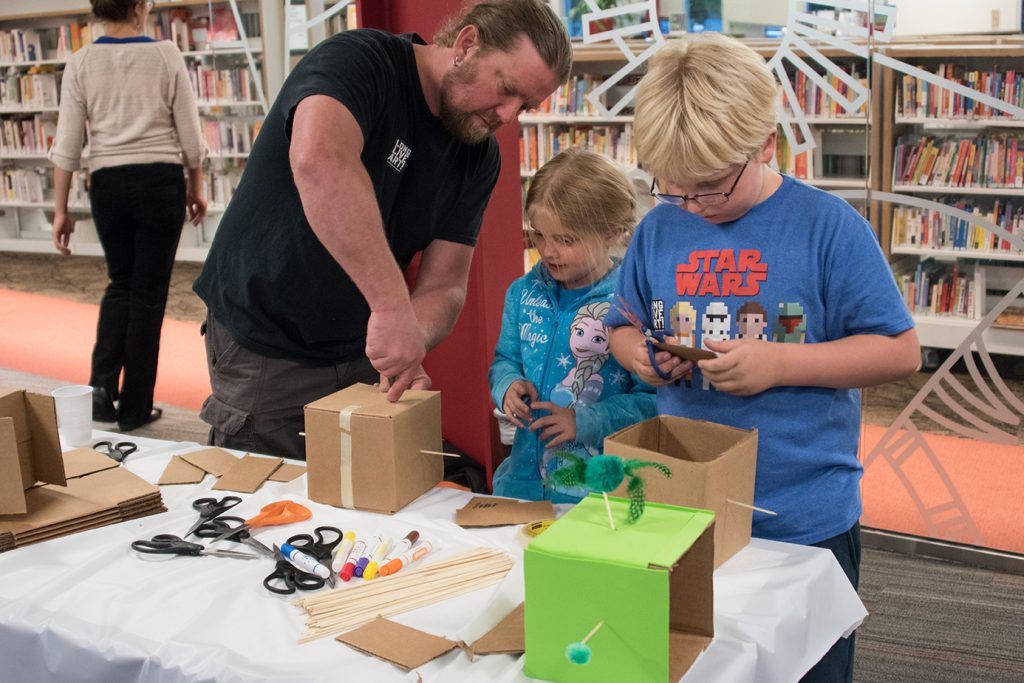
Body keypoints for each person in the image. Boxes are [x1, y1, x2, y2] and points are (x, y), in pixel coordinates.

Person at [604, 33, 921, 682]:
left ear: (764, 146)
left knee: (807, 668)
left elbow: (899, 350)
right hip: (682, 507)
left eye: (711, 189)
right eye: (675, 189)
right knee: (694, 663)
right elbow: (621, 326)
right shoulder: (659, 227)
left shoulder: (828, 227)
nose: (693, 207)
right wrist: (641, 357)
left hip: (802, 518)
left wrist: (780, 364)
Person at [192, 0, 571, 461]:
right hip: (266, 337)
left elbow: (446, 283)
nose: (508, 115)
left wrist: (408, 341)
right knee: (265, 498)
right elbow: (319, 160)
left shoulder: (478, 156)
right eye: (506, 88)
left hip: (359, 349)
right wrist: (392, 309)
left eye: (526, 106)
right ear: (467, 45)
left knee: (354, 505)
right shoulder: (359, 61)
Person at [50, 0, 207, 432]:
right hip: (159, 181)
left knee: (121, 284)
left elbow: (67, 145)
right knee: (149, 294)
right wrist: (196, 186)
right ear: (140, 8)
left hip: (108, 185)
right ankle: (135, 408)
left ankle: (101, 389)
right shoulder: (164, 54)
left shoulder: (80, 62)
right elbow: (190, 134)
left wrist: (60, 211)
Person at [489, 149, 656, 502]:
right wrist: (506, 386)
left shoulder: (631, 302)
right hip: (521, 487)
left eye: (566, 240)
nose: (548, 251)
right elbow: (504, 359)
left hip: (594, 498)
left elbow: (651, 401)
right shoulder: (522, 293)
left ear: (613, 232)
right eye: (539, 235)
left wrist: (585, 421)